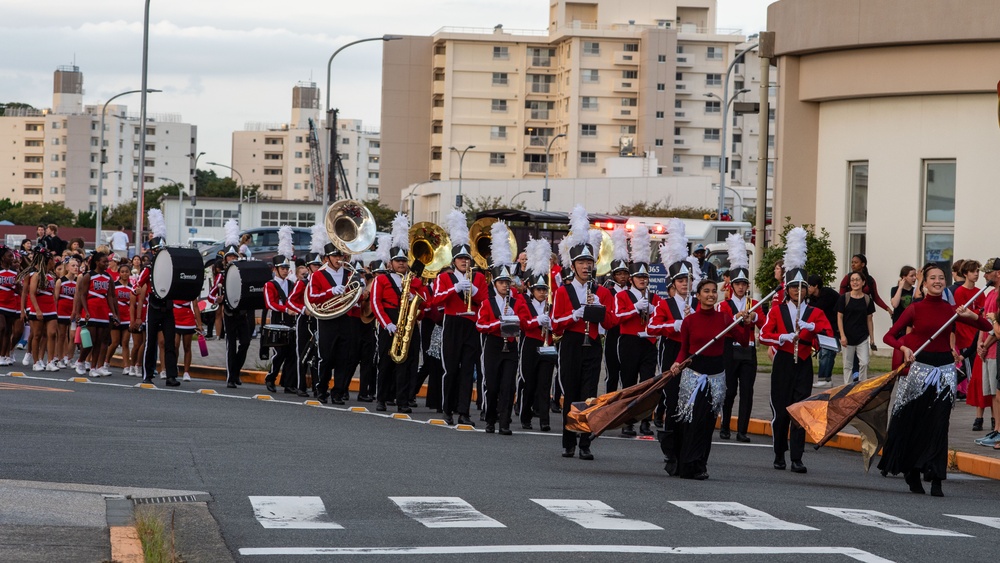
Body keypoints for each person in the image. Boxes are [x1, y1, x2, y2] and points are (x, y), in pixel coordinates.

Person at [881, 262, 990, 496]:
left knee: (939, 425)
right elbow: (888, 336)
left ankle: (936, 476)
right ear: (925, 282)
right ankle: (912, 472)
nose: (938, 281)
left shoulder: (952, 311)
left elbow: (987, 325)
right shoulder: (915, 309)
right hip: (919, 371)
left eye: (941, 278)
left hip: (945, 372)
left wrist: (972, 315)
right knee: (916, 423)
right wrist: (904, 348)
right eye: (933, 278)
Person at [760, 228, 833, 474]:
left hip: (803, 363)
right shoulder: (777, 310)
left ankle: (797, 458)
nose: (798, 292)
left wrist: (813, 328)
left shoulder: (815, 312)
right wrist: (781, 337)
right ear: (787, 289)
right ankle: (779, 453)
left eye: (802, 288)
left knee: (800, 411)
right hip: (782, 361)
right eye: (793, 288)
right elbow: (763, 335)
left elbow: (830, 339)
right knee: (781, 412)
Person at [668, 278, 751, 479]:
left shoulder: (724, 318)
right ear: (698, 295)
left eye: (714, 291)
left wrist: (747, 324)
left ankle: (700, 465)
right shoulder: (689, 321)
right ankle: (685, 464)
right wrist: (677, 363)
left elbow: (744, 341)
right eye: (706, 291)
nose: (711, 294)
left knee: (706, 422)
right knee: (691, 420)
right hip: (693, 374)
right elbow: (684, 349)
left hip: (715, 376)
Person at [551, 234, 617, 460]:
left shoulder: (603, 292)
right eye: (581, 262)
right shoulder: (563, 291)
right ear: (573, 266)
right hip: (571, 343)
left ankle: (585, 443)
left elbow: (611, 322)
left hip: (593, 345)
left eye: (589, 262)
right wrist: (574, 314)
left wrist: (599, 309)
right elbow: (555, 325)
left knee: (589, 396)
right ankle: (568, 442)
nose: (586, 266)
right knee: (571, 393)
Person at [433, 210, 488, 427]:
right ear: (454, 260)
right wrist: (454, 288)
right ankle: (447, 409)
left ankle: (464, 411)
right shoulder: (445, 277)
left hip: (471, 323)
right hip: (452, 322)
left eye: (467, 258)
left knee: (467, 370)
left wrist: (472, 289)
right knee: (451, 369)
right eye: (461, 258)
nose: (464, 261)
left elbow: (485, 300)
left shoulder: (479, 277)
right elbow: (435, 300)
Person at [371, 231, 427, 414]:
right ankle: (382, 399)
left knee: (406, 364)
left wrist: (415, 297)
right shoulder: (381, 279)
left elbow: (427, 301)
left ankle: (402, 400)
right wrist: (387, 323)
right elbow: (375, 303)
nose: (401, 263)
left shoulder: (414, 280)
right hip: (390, 323)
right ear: (390, 263)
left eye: (404, 261)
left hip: (409, 324)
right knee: (386, 363)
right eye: (398, 260)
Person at [476, 253, 527, 434]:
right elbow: (480, 325)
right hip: (493, 345)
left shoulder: (516, 301)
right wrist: (499, 322)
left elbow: (525, 321)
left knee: (508, 386)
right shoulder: (487, 303)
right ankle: (490, 418)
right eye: (501, 282)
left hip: (511, 345)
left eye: (507, 282)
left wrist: (514, 318)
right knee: (492, 386)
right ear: (495, 284)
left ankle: (504, 422)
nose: (505, 285)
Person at [717, 261, 763, 442]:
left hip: (748, 350)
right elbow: (720, 324)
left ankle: (742, 430)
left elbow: (764, 322)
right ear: (732, 285)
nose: (741, 287)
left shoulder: (755, 304)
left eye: (744, 284)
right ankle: (725, 425)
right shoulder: (725, 305)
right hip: (729, 349)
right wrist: (735, 317)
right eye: (737, 284)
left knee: (747, 391)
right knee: (728, 391)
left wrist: (754, 316)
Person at [614, 259, 660, 436]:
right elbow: (617, 317)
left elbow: (660, 317)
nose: (643, 280)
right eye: (639, 276)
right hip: (629, 342)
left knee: (648, 384)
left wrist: (653, 309)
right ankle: (627, 422)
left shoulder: (654, 297)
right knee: (629, 383)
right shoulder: (622, 296)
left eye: (645, 276)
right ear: (631, 279)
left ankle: (646, 422)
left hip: (649, 342)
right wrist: (635, 308)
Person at [308, 242, 356, 404]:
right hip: (327, 319)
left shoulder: (350, 274)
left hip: (345, 319)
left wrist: (360, 293)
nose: (338, 259)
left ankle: (338, 392)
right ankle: (321, 389)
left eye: (340, 256)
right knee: (326, 357)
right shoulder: (318, 275)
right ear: (326, 258)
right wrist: (330, 292)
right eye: (335, 256)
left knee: (344, 358)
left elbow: (356, 296)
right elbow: (312, 297)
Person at [516, 257, 555, 432]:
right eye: (539, 289)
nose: (542, 292)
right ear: (531, 289)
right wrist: (537, 320)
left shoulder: (550, 304)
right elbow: (522, 323)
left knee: (545, 384)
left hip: (547, 345)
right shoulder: (523, 302)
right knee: (529, 382)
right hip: (530, 343)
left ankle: (544, 421)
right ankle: (525, 416)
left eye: (544, 289)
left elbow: (559, 324)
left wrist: (553, 324)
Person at [73, 252, 120, 378]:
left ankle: (94, 367)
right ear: (97, 262)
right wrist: (83, 311)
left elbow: (111, 295)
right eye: (104, 262)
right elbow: (82, 295)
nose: (106, 264)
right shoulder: (88, 276)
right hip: (90, 309)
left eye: (107, 262)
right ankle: (80, 361)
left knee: (100, 340)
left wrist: (114, 313)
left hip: (103, 310)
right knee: (90, 341)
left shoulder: (108, 277)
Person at [263, 254, 296, 394]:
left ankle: (288, 382)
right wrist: (286, 309)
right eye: (282, 268)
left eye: (286, 268)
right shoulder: (269, 284)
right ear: (275, 269)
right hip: (278, 321)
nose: (285, 270)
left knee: (292, 353)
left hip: (290, 321)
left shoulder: (291, 284)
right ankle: (270, 378)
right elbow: (270, 303)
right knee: (279, 353)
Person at [837, 271, 877, 384]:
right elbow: (839, 317)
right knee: (847, 365)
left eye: (857, 279)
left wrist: (872, 338)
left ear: (863, 282)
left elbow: (869, 319)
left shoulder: (867, 299)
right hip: (847, 337)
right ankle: (847, 388)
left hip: (862, 336)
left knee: (864, 362)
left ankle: (862, 386)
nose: (855, 282)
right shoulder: (844, 298)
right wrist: (842, 335)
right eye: (852, 280)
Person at [286, 255, 318, 398]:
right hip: (305, 321)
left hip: (319, 321)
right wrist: (303, 309)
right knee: (303, 355)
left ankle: (318, 387)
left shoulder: (324, 283)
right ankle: (301, 386)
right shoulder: (303, 283)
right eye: (315, 265)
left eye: (319, 264)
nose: (318, 268)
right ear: (309, 267)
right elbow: (290, 302)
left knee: (318, 356)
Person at [24, 251, 59, 371]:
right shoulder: (37, 275)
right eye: (52, 260)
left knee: (52, 334)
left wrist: (55, 308)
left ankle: (50, 362)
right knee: (37, 335)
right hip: (38, 308)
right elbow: (32, 294)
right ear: (48, 261)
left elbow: (53, 294)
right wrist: (38, 310)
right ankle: (35, 362)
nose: (54, 262)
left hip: (51, 308)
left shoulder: (52, 276)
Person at [602, 256, 630, 395]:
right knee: (612, 373)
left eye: (625, 273)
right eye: (619, 274)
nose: (622, 276)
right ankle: (608, 403)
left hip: (627, 335)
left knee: (627, 374)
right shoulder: (609, 292)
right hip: (613, 334)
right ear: (613, 275)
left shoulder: (632, 292)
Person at [806, 274, 839, 387]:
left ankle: (824, 379)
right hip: (823, 329)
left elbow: (817, 309)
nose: (808, 289)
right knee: (825, 353)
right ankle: (826, 378)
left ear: (816, 286)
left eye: (809, 286)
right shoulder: (812, 298)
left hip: (833, 328)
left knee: (827, 353)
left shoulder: (827, 294)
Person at [105, 264, 133, 376]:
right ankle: (106, 362)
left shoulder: (132, 287)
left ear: (129, 273)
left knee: (125, 342)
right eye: (122, 271)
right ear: (119, 273)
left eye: (126, 271)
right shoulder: (114, 286)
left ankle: (126, 366)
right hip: (116, 316)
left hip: (127, 317)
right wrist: (112, 315)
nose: (124, 273)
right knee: (115, 342)